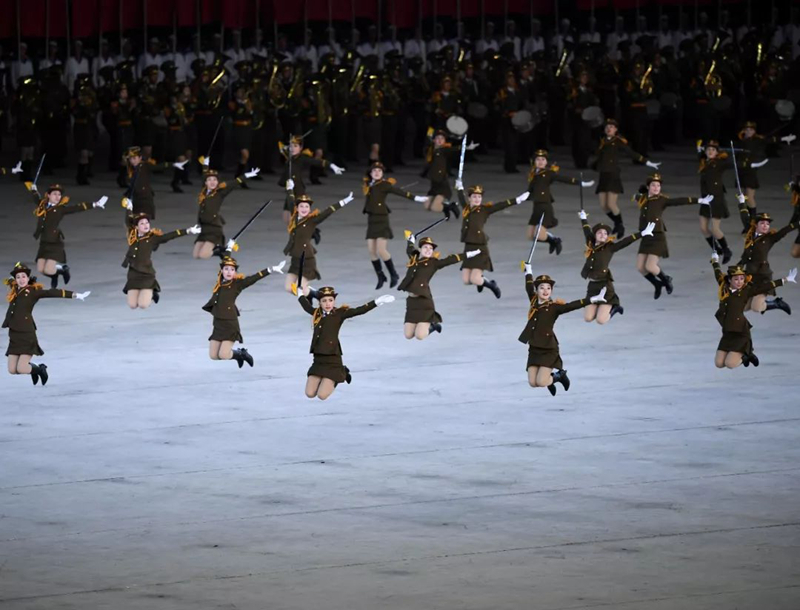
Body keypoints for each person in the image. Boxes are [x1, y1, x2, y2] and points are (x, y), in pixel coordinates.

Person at [518, 269, 607, 395]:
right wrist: (528, 271)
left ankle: (559, 376)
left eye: (548, 288)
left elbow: (571, 305)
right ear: (537, 290)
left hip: (548, 349)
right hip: (534, 348)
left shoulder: (554, 307)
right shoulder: (533, 302)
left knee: (541, 382)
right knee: (533, 383)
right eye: (542, 288)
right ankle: (550, 379)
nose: (545, 291)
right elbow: (528, 287)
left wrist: (592, 300)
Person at [298, 286, 394, 400]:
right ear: (319, 302)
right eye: (324, 301)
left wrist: (376, 302)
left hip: (333, 360)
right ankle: (324, 381)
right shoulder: (316, 313)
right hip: (318, 360)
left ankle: (341, 373)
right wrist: (300, 294)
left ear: (334, 301)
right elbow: (306, 306)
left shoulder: (339, 313)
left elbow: (359, 310)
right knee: (310, 393)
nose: (328, 304)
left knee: (322, 395)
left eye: (330, 300)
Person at [4, 262, 90, 386]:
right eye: (18, 277)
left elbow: (51, 292)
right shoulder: (15, 291)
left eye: (23, 276)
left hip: (26, 334)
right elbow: (11, 284)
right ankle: (33, 368)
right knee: (12, 370)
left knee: (21, 368)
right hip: (14, 334)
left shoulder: (33, 291)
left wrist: (75, 295)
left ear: (28, 278)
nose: (21, 279)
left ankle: (40, 369)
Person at [634, 173, 713, 298]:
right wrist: (639, 193)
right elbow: (637, 195)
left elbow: (678, 201)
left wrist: (699, 200)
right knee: (640, 267)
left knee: (650, 266)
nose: (656, 188)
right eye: (653, 185)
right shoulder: (643, 198)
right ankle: (657, 284)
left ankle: (666, 280)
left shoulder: (661, 199)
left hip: (657, 236)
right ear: (648, 187)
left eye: (658, 186)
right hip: (645, 236)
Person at [710, 255, 796, 369]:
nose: (739, 282)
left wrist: (785, 280)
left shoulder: (746, 291)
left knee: (730, 364)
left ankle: (747, 356)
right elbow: (717, 272)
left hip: (740, 332)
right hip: (727, 333)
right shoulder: (723, 287)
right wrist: (715, 260)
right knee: (719, 364)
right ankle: (742, 356)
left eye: (742, 278)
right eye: (736, 279)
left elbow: (764, 287)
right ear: (729, 280)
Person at [203, 255, 286, 368]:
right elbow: (226, 256)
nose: (229, 272)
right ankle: (238, 354)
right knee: (213, 356)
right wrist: (229, 247)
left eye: (232, 270)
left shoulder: (237, 284)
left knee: (223, 355)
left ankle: (241, 354)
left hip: (229, 324)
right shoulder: (220, 282)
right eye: (226, 269)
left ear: (235, 272)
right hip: (218, 324)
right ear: (221, 270)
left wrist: (270, 269)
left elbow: (253, 279)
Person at [579, 210, 656, 323]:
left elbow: (625, 242)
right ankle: (599, 308)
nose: (603, 235)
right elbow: (586, 230)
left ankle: (615, 308)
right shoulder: (590, 243)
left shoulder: (610, 248)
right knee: (588, 318)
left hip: (605, 287)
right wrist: (583, 218)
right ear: (594, 235)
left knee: (601, 320)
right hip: (592, 287)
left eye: (605, 233)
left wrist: (642, 234)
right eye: (599, 232)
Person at [455, 183, 529, 298]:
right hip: (468, 247)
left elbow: (500, 205)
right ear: (469, 198)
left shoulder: (484, 210)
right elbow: (461, 198)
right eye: (474, 196)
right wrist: (459, 187)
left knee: (475, 279)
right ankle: (481, 281)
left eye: (479, 197)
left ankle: (491, 285)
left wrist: (518, 200)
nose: (477, 199)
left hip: (480, 248)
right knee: (466, 280)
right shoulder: (466, 209)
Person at [398, 235, 479, 340]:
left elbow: (450, 260)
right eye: (425, 247)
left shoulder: (433, 263)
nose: (428, 250)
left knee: (419, 336)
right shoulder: (414, 259)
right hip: (411, 303)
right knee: (408, 335)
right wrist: (411, 241)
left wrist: (468, 254)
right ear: (420, 249)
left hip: (424, 303)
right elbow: (410, 250)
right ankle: (431, 326)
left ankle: (432, 326)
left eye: (431, 248)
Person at [362, 162, 428, 288]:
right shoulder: (368, 185)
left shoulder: (385, 185)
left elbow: (400, 192)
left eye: (379, 171)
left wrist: (416, 198)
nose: (377, 173)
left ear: (382, 173)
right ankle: (381, 276)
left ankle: (393, 274)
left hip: (381, 219)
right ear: (370, 173)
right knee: (371, 251)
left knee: (381, 250)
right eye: (374, 171)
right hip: (371, 219)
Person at [29, 183, 108, 288]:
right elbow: (36, 199)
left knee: (48, 269)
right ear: (48, 195)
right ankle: (54, 275)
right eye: (54, 194)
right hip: (44, 242)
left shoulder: (60, 209)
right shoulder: (43, 205)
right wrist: (34, 190)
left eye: (59, 194)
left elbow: (77, 208)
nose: (57, 197)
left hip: (54, 242)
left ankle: (63, 270)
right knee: (40, 269)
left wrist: (95, 204)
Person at [592, 118, 660, 238]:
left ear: (616, 130)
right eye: (607, 127)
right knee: (604, 206)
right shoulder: (602, 141)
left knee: (611, 204)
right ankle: (617, 224)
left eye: (611, 127)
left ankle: (620, 225)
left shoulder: (618, 141)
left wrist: (647, 162)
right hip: (603, 175)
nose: (609, 129)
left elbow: (631, 153)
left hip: (613, 175)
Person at [122, 211, 200, 309]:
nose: (146, 225)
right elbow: (128, 221)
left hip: (146, 274)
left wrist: (188, 231)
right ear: (136, 227)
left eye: (147, 223)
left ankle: (152, 293)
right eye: (142, 223)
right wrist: (129, 208)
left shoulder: (152, 238)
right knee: (132, 305)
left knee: (143, 305)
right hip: (133, 274)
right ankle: (145, 295)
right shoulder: (132, 236)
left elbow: (169, 236)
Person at [284, 191, 354, 296]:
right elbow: (290, 200)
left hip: (307, 259)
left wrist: (344, 202)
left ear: (309, 209)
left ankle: (315, 297)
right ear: (297, 208)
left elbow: (328, 211)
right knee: (289, 288)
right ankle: (313, 294)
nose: (304, 209)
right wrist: (290, 188)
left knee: (300, 289)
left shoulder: (312, 220)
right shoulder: (294, 218)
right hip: (295, 259)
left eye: (306, 206)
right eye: (301, 206)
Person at [526, 149, 594, 255]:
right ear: (534, 161)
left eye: (543, 159)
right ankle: (553, 241)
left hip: (545, 206)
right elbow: (531, 189)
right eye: (538, 159)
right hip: (536, 206)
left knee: (540, 236)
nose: (540, 162)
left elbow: (563, 179)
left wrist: (580, 183)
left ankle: (555, 240)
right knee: (530, 236)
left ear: (546, 162)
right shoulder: (533, 174)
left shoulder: (549, 173)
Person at [736, 122, 795, 230]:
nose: (749, 131)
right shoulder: (741, 141)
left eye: (751, 130)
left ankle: (753, 223)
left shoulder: (757, 140)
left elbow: (770, 140)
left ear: (754, 131)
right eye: (747, 129)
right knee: (744, 198)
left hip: (751, 170)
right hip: (741, 170)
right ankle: (748, 223)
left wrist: (785, 138)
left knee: (750, 197)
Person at [738, 212, 799, 315]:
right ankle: (763, 303)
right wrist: (741, 202)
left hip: (762, 277)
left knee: (756, 308)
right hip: (750, 276)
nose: (765, 226)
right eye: (762, 223)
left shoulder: (770, 238)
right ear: (756, 225)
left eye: (767, 224)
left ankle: (776, 303)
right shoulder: (750, 236)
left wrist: (798, 223)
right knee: (742, 308)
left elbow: (784, 231)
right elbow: (745, 218)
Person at [192, 168, 259, 260]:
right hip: (204, 228)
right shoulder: (203, 193)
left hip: (214, 227)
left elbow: (233, 184)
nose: (212, 182)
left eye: (215, 180)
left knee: (203, 255)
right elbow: (204, 172)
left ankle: (221, 251)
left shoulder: (219, 193)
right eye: (209, 180)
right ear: (205, 183)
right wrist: (205, 164)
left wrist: (246, 176)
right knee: (196, 255)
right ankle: (218, 250)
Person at [279, 135, 345, 224]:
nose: (292, 148)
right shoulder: (289, 156)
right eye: (291, 146)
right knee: (286, 217)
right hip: (289, 190)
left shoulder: (302, 158)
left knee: (298, 216)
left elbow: (317, 162)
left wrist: (332, 166)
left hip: (298, 190)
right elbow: (281, 147)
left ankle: (309, 230)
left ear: (301, 148)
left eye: (295, 146)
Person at [422, 129, 478, 218]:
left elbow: (454, 148)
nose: (440, 140)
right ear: (434, 140)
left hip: (442, 184)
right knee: (426, 206)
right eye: (438, 138)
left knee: (434, 207)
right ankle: (446, 208)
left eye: (442, 138)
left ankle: (451, 206)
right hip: (434, 184)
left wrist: (467, 147)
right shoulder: (430, 151)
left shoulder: (444, 150)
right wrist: (429, 134)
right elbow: (427, 145)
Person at [697, 140, 737, 263]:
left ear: (716, 153)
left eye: (713, 150)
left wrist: (726, 155)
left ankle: (726, 250)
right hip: (705, 199)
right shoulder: (704, 163)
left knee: (715, 229)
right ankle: (717, 249)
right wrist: (699, 150)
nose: (710, 151)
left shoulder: (719, 163)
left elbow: (731, 164)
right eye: (708, 149)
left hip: (716, 199)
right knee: (703, 228)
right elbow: (700, 156)